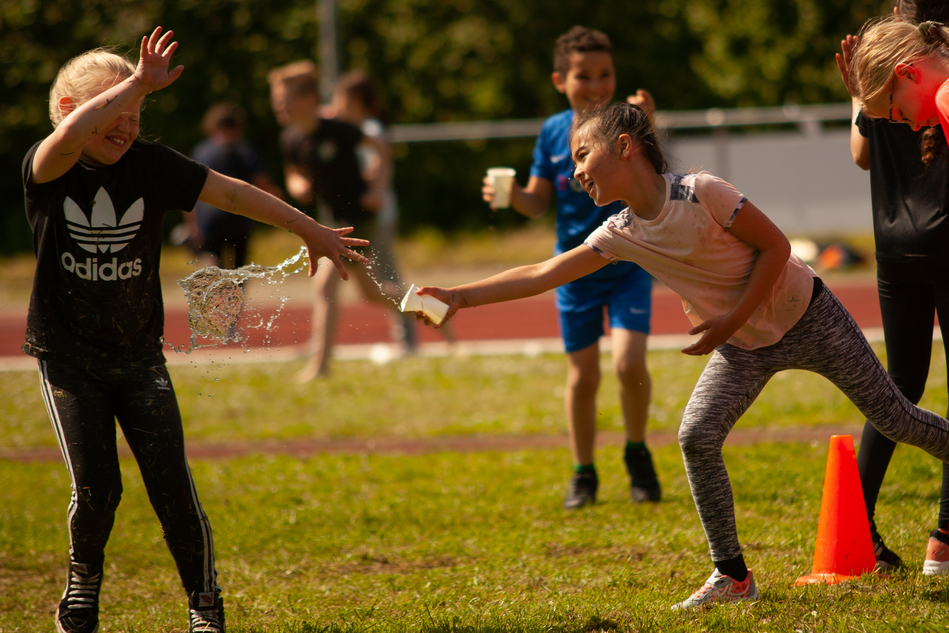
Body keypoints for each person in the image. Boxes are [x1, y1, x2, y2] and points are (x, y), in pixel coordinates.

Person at [412, 101, 949, 609]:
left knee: (896, 419)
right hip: (741, 343)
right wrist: (459, 296)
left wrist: (730, 321)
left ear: (625, 146)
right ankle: (732, 576)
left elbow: (777, 247)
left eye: (582, 154)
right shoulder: (621, 232)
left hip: (807, 317)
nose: (575, 171)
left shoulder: (702, 191)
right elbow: (543, 272)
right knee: (696, 435)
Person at [22, 28, 368, 633]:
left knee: (172, 489)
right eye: (115, 110)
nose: (127, 123)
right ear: (72, 110)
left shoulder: (150, 165)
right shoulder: (48, 166)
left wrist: (309, 229)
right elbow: (71, 137)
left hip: (139, 359)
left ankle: (204, 603)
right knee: (97, 489)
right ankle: (83, 581)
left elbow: (233, 193)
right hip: (69, 359)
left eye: (137, 113)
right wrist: (137, 80)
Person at [482, 26, 660, 510]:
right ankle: (583, 473)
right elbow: (537, 202)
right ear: (560, 80)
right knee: (583, 377)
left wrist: (648, 122)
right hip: (574, 272)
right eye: (584, 76)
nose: (597, 85)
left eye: (605, 74)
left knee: (629, 363)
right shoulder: (551, 132)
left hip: (628, 263)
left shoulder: (628, 124)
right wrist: (509, 195)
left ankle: (637, 453)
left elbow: (655, 177)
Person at [836, 0, 949, 575]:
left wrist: (859, 99)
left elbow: (860, 156)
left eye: (897, 113)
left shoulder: (921, 87)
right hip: (941, 240)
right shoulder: (928, 85)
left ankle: (860, 528)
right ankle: (944, 539)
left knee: (898, 388)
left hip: (894, 243)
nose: (903, 122)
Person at [268, 61, 410, 380]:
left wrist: (378, 188)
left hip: (357, 219)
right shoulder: (290, 138)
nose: (278, 106)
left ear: (308, 100)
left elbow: (381, 148)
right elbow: (293, 173)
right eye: (276, 100)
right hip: (331, 222)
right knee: (373, 292)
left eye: (284, 99)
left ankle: (320, 367)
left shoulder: (337, 129)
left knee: (325, 285)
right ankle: (431, 306)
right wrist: (297, 185)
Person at [184, 102, 284, 269]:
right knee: (240, 268)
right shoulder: (245, 149)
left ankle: (215, 279)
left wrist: (192, 226)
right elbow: (261, 183)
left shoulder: (201, 151)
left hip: (209, 218)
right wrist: (280, 202)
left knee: (212, 262)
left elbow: (189, 192)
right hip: (239, 217)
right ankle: (237, 286)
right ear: (238, 127)